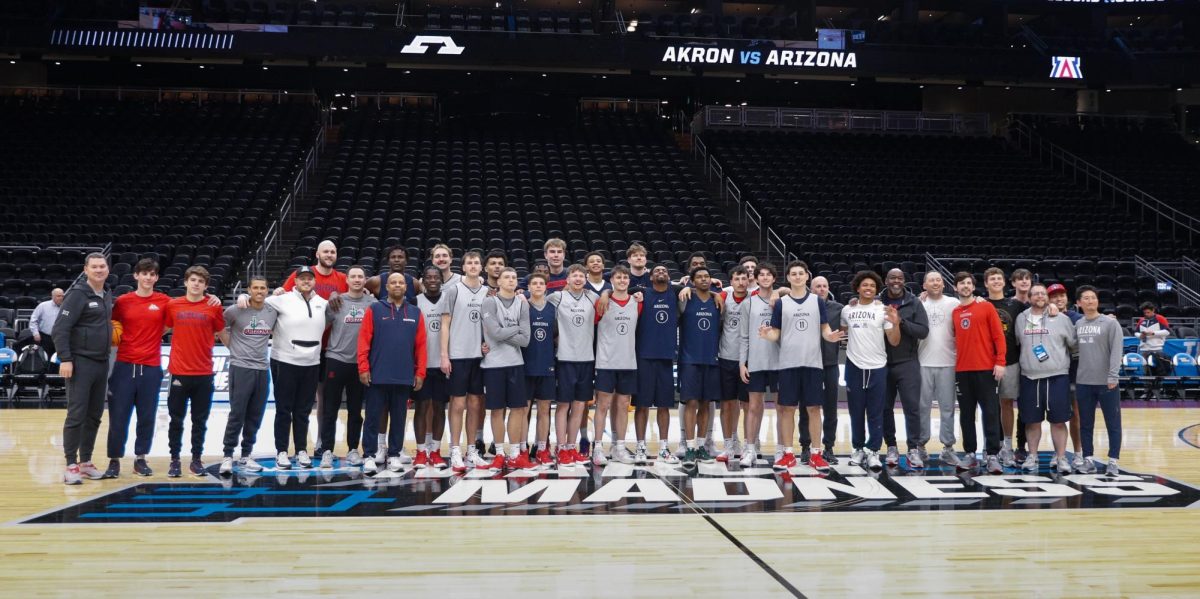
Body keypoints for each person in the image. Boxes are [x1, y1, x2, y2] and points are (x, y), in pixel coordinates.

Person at [760, 261, 843, 471]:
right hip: (788, 364)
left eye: (800, 274)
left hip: (813, 364)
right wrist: (767, 334)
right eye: (793, 274)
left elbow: (825, 329)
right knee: (787, 409)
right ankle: (788, 453)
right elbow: (776, 333)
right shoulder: (781, 303)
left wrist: (831, 337)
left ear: (807, 277)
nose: (797, 277)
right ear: (788, 278)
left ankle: (816, 453)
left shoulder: (817, 301)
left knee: (814, 408)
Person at [357, 272, 427, 474]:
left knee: (399, 417)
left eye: (401, 283)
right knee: (372, 417)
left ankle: (394, 454)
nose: (397, 285)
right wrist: (363, 367)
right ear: (386, 287)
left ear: (406, 287)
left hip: (404, 375)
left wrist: (420, 372)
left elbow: (421, 346)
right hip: (377, 373)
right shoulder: (375, 309)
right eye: (393, 282)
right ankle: (369, 455)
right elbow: (364, 340)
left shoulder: (415, 312)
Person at [55, 253, 114, 485]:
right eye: (94, 267)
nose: (99, 270)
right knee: (76, 415)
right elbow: (61, 328)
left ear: (107, 269)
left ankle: (86, 462)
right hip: (80, 363)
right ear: (86, 269)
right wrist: (65, 359)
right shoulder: (77, 295)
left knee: (94, 416)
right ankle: (71, 464)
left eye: (102, 266)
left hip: (101, 363)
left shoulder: (107, 294)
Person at [163, 266, 226, 478]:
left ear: (206, 286)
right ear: (186, 282)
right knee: (176, 420)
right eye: (193, 280)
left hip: (204, 373)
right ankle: (174, 460)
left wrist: (238, 352)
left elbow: (222, 333)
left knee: (199, 421)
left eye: (201, 281)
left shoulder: (213, 307)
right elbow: (162, 329)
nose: (196, 283)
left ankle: (196, 460)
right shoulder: (173, 305)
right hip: (179, 372)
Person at [265, 265, 329, 470]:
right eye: (302, 278)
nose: (306, 281)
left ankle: (301, 449)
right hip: (284, 361)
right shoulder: (280, 299)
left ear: (314, 281)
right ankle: (281, 451)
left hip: (311, 363)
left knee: (303, 411)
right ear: (295, 281)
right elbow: (255, 303)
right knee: (284, 410)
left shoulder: (323, 303)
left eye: (310, 278)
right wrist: (242, 299)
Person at [1014, 283, 1077, 473]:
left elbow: (1073, 345)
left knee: (1058, 421)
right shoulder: (1021, 318)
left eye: (1043, 293)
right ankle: (1032, 456)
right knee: (1032, 421)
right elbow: (1018, 343)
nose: (1040, 296)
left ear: (1047, 298)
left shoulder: (1061, 318)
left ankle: (1061, 457)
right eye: (1036, 294)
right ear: (1030, 297)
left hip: (1057, 376)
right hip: (1030, 377)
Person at [217, 276, 276, 476]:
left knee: (255, 415)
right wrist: (231, 346)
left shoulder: (272, 311)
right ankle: (227, 455)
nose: (259, 291)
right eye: (255, 288)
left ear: (267, 291)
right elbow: (218, 325)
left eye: (263, 288)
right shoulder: (235, 310)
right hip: (240, 367)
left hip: (262, 369)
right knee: (237, 414)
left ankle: (246, 455)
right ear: (249, 290)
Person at [841, 271, 900, 470]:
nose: (868, 288)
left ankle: (873, 451)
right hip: (854, 366)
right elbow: (843, 332)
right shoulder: (847, 311)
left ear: (876, 290)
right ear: (857, 288)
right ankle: (857, 449)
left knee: (876, 412)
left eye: (872, 286)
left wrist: (896, 323)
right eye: (864, 285)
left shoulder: (883, 310)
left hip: (877, 367)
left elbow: (894, 340)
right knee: (856, 412)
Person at [951, 272, 1007, 474]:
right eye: (961, 283)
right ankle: (970, 454)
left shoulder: (986, 306)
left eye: (968, 283)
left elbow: (999, 336)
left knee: (991, 413)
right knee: (966, 415)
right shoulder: (955, 311)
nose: (965, 286)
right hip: (962, 371)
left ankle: (992, 455)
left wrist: (1000, 361)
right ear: (956, 288)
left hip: (986, 369)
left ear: (973, 287)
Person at [319, 266, 374, 469]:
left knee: (355, 410)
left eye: (361, 276)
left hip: (360, 364)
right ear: (347, 280)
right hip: (335, 359)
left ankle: (353, 449)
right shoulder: (336, 301)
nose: (357, 279)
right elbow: (318, 326)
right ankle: (326, 450)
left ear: (365, 280)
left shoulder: (372, 303)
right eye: (353, 276)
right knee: (330, 409)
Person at [441, 251, 490, 472]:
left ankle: (471, 450)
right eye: (469, 262)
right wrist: (444, 354)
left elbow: (490, 324)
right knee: (457, 404)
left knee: (475, 404)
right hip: (458, 355)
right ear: (463, 266)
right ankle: (454, 450)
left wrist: (487, 342)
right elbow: (445, 324)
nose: (473, 265)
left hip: (479, 357)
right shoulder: (453, 290)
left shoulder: (488, 293)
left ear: (481, 267)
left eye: (476, 262)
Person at [481, 267, 533, 470]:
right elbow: (494, 333)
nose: (511, 280)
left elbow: (526, 340)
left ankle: (515, 454)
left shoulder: (522, 304)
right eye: (507, 277)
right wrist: (515, 330)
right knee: (497, 410)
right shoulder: (489, 302)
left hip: (515, 364)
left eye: (514, 278)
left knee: (518, 409)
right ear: (499, 282)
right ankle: (500, 454)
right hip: (493, 364)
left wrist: (503, 332)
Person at [548, 264, 600, 465]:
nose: (578, 279)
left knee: (579, 406)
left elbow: (610, 295)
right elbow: (532, 297)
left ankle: (571, 447)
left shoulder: (592, 297)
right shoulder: (557, 297)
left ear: (586, 279)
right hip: (565, 359)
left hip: (587, 359)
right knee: (563, 405)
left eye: (581, 276)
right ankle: (560, 448)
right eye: (574, 276)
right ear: (567, 279)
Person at [631, 264, 682, 464]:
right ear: (650, 277)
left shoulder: (675, 294)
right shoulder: (641, 293)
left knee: (664, 406)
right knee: (642, 405)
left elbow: (700, 288)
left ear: (669, 277)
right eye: (657, 271)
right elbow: (615, 290)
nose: (661, 273)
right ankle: (640, 447)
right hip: (643, 356)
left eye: (665, 271)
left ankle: (663, 448)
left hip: (666, 357)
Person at [879, 269, 929, 468]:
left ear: (904, 281)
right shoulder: (877, 303)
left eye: (900, 278)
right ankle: (891, 447)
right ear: (886, 281)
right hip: (881, 363)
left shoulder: (914, 302)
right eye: (892, 278)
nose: (896, 281)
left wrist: (901, 322)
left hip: (907, 362)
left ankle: (913, 449)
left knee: (912, 408)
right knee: (884, 408)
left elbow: (923, 331)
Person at [1073, 285, 1124, 476]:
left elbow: (1117, 350)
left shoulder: (1110, 323)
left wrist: (1113, 376)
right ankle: (1088, 460)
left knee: (1113, 423)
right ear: (1079, 303)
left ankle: (1112, 461)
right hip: (1084, 381)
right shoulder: (1078, 325)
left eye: (1093, 297)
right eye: (1085, 298)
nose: (1090, 301)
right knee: (1085, 423)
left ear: (1097, 301)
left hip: (1106, 382)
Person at [592, 265, 640, 465]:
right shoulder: (602, 302)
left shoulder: (638, 302)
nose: (622, 280)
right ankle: (597, 448)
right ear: (611, 280)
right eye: (618, 277)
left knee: (622, 405)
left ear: (629, 281)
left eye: (625, 278)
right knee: (602, 405)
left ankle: (619, 447)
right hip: (605, 362)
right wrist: (605, 293)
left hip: (628, 362)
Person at [677, 266, 723, 466]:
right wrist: (685, 286)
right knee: (691, 403)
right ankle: (689, 447)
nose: (704, 279)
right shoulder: (684, 299)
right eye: (700, 277)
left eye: (707, 277)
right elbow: (663, 287)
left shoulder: (718, 301)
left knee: (706, 404)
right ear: (692, 281)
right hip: (689, 360)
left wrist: (715, 293)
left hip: (712, 359)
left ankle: (702, 447)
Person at [984, 267, 1028, 467]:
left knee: (1007, 404)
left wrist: (1052, 308)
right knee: (988, 407)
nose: (995, 281)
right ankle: (990, 446)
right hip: (985, 362)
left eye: (998, 278)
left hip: (1010, 361)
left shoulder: (1016, 305)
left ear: (1004, 282)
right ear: (986, 284)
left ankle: (1007, 446)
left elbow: (1036, 311)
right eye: (991, 279)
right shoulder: (981, 304)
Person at [918, 271, 962, 467]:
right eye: (931, 280)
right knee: (922, 408)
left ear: (944, 284)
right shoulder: (919, 304)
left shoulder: (954, 303)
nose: (935, 283)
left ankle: (948, 448)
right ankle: (920, 446)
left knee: (947, 408)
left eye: (938, 280)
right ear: (924, 284)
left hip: (948, 362)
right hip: (922, 362)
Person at [739, 263, 780, 468]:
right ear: (756, 278)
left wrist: (781, 292)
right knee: (754, 407)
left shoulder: (783, 300)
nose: (764, 278)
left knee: (782, 407)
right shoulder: (749, 303)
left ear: (774, 278)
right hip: (756, 361)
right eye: (761, 275)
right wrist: (742, 363)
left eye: (768, 275)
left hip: (779, 362)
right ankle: (750, 449)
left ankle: (782, 450)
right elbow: (744, 336)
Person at [1047, 283, 1086, 470]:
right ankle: (1059, 453)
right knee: (1057, 415)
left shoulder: (1078, 318)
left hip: (1075, 371)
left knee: (1076, 414)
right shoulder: (1044, 318)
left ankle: (1078, 453)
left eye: (1061, 295)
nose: (1059, 299)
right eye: (1054, 296)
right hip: (1054, 371)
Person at [414, 265, 449, 469]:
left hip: (443, 363)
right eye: (429, 277)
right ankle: (420, 452)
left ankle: (435, 451)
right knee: (421, 406)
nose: (433, 280)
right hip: (422, 364)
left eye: (436, 276)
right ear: (423, 281)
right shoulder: (415, 301)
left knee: (438, 407)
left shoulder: (448, 299)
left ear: (441, 280)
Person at [715, 267, 751, 463]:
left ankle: (747, 445)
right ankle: (729, 444)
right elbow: (707, 292)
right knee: (727, 404)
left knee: (747, 405)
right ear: (731, 281)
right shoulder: (723, 296)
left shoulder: (754, 298)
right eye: (737, 279)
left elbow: (778, 292)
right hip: (726, 357)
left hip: (747, 360)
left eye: (744, 279)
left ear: (748, 281)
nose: (740, 282)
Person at [523, 272, 557, 465]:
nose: (537, 286)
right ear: (528, 287)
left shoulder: (552, 309)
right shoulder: (522, 306)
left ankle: (542, 448)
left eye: (540, 283)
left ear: (546, 287)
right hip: (525, 366)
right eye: (534, 283)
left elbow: (556, 335)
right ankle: (521, 448)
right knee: (523, 410)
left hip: (546, 365)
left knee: (544, 409)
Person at [809, 275, 842, 465]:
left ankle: (828, 447)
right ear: (811, 289)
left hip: (830, 364)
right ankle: (806, 447)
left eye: (824, 286)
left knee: (831, 409)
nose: (821, 289)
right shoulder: (804, 307)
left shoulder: (838, 309)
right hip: (809, 364)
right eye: (817, 286)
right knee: (808, 408)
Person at [1135, 302, 1171, 400]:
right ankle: (1147, 392)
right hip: (1144, 349)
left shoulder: (1160, 318)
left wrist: (1153, 333)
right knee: (1146, 372)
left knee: (1158, 371)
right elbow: (1136, 333)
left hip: (1157, 349)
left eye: (1148, 312)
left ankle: (1157, 391)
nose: (1146, 314)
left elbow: (1167, 332)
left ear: (1153, 311)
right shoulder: (1141, 320)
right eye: (1145, 313)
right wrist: (1140, 336)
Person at [29, 287, 64, 359]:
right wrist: (35, 333)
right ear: (53, 296)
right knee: (45, 358)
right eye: (58, 296)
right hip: (45, 338)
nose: (61, 298)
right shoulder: (43, 306)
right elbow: (33, 320)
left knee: (60, 359)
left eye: (62, 296)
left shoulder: (66, 307)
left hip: (61, 338)